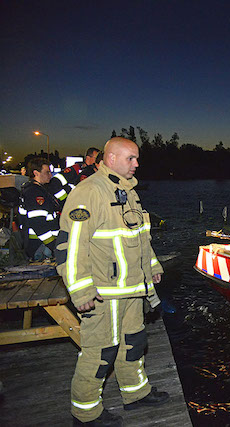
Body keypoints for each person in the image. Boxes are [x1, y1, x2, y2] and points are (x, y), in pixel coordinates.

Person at [56, 137, 168, 426]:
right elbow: (72, 246)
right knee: (100, 352)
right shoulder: (89, 191)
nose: (137, 164)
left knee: (134, 343)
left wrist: (152, 267)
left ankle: (135, 394)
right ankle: (86, 414)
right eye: (131, 158)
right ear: (112, 158)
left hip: (132, 288)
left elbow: (141, 236)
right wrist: (81, 291)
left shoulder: (128, 191)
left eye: (137, 158)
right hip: (104, 292)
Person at [17, 157, 61, 260]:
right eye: (47, 172)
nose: (50, 175)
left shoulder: (39, 190)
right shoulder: (34, 193)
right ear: (36, 173)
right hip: (40, 246)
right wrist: (53, 245)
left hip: (42, 244)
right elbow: (38, 225)